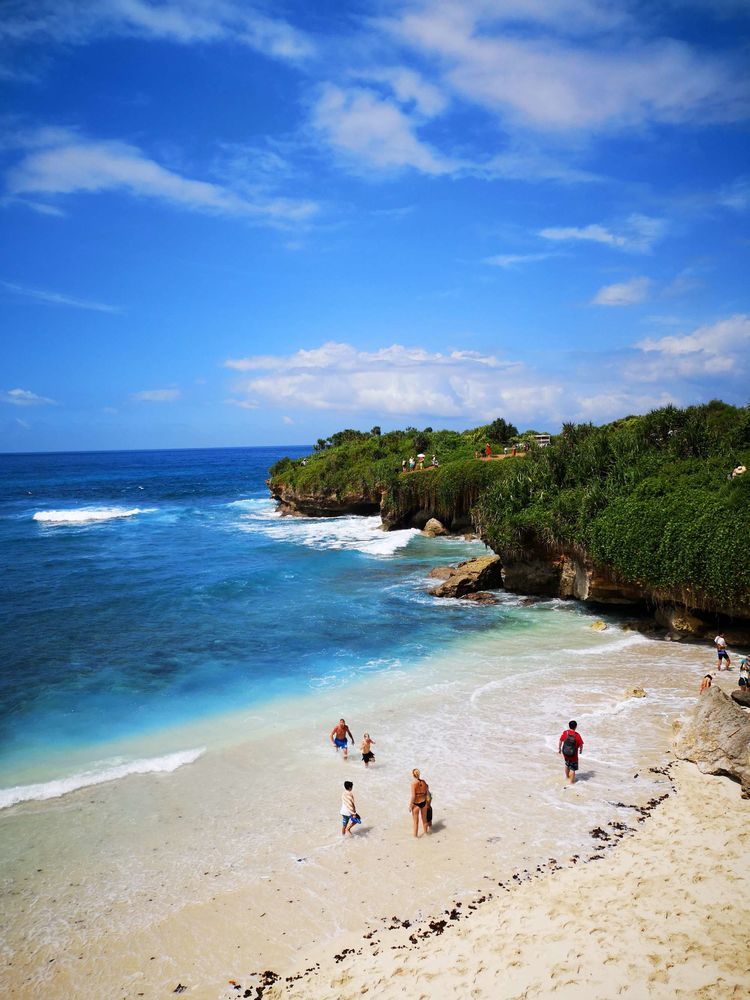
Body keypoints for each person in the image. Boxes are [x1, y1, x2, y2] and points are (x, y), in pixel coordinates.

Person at [410, 768, 430, 837]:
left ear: (413, 775)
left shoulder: (413, 783)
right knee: (424, 820)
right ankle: (426, 834)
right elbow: (427, 794)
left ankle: (415, 838)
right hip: (424, 803)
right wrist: (428, 803)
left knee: (416, 822)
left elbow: (413, 796)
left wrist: (410, 806)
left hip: (416, 804)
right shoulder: (424, 782)